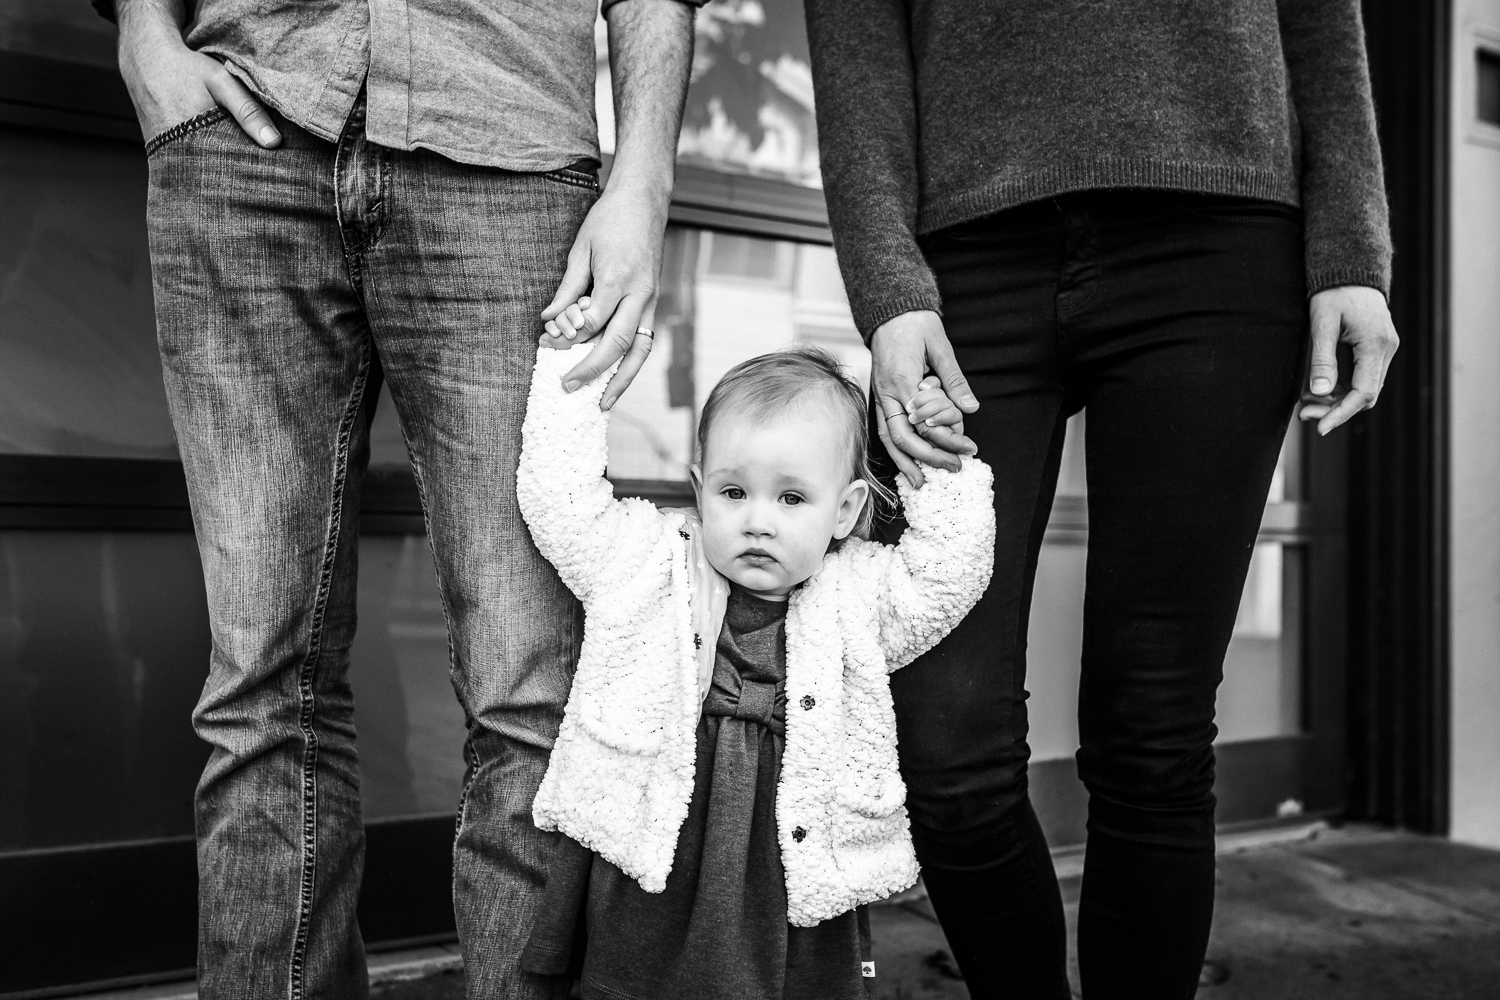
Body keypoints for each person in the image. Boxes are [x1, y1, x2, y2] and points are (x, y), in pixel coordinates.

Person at [101, 0, 702, 996]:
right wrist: (142, 35)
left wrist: (645, 175)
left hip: (509, 150)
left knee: (530, 689)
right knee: (259, 686)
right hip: (247, 126)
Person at [802, 2, 1401, 997]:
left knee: (1154, 731)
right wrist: (887, 285)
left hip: (1219, 230)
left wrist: (1352, 249)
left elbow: (1322, 22)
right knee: (946, 744)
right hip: (967, 254)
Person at [510, 341, 995, 999]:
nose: (758, 521)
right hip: (656, 861)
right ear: (698, 489)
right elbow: (561, 504)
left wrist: (936, 457)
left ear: (845, 511)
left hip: (788, 872)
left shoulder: (860, 596)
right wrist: (578, 365)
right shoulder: (647, 565)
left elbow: (951, 570)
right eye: (733, 491)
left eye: (792, 498)